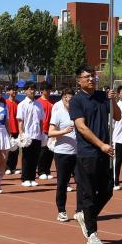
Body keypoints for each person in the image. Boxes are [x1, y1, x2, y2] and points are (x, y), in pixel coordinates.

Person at [68, 65, 116, 244]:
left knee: (107, 190)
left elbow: (117, 116)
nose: (91, 79)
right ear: (79, 80)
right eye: (87, 77)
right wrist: (101, 144)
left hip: (104, 153)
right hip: (88, 153)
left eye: (93, 76)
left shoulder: (103, 97)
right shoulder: (76, 101)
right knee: (88, 193)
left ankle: (86, 216)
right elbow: (81, 127)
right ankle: (92, 233)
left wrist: (112, 101)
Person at [48, 88, 79, 222]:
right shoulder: (58, 113)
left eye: (71, 97)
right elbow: (50, 133)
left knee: (81, 183)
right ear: (63, 99)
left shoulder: (78, 113)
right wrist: (64, 131)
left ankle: (80, 210)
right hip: (62, 153)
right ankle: (61, 211)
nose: (68, 100)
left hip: (77, 153)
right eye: (66, 97)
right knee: (62, 183)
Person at [16, 82, 46, 187]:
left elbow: (41, 120)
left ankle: (32, 178)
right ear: (25, 91)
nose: (32, 91)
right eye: (29, 89)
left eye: (33, 89)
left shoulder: (39, 104)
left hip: (37, 135)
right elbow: (20, 121)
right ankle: (25, 178)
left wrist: (41, 133)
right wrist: (21, 134)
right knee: (27, 157)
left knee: (35, 157)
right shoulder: (22, 105)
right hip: (27, 135)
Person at [36, 84, 56, 179]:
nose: (48, 91)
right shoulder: (38, 102)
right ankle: (41, 171)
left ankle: (47, 171)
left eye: (49, 89)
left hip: (51, 130)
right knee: (42, 152)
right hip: (42, 130)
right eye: (46, 89)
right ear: (42, 91)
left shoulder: (52, 102)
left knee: (50, 151)